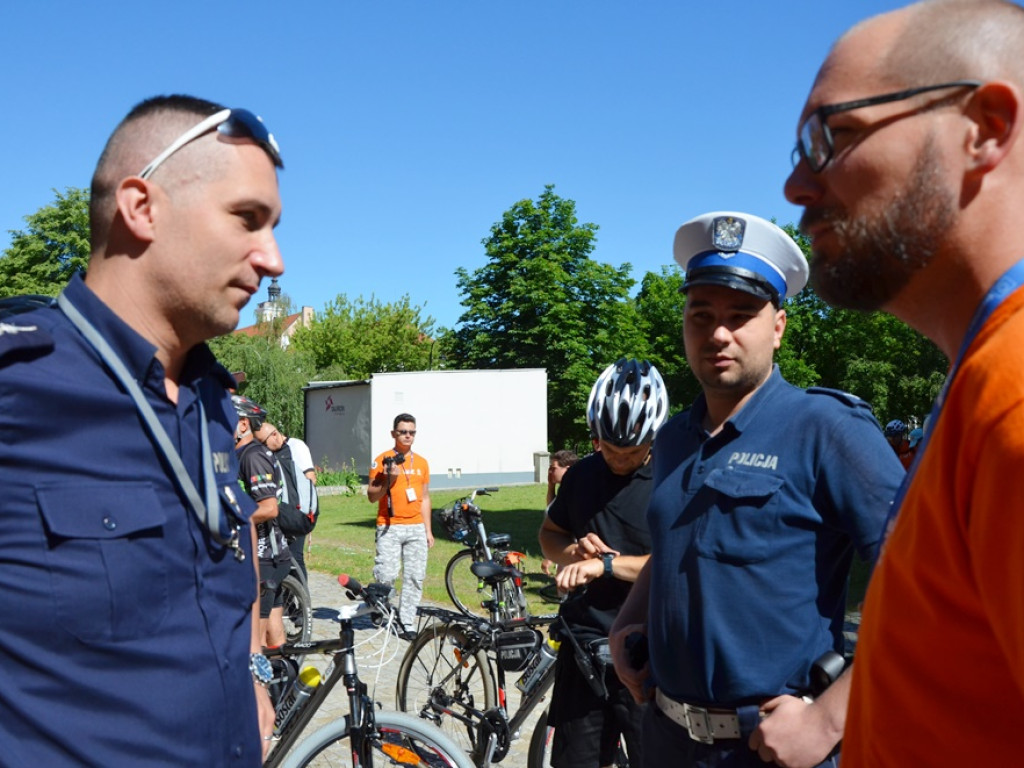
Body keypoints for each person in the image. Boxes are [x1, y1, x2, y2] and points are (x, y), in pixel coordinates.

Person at [0, 95, 283, 765]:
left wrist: (253, 676)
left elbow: (228, 543)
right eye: (247, 219)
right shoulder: (17, 386)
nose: (272, 258)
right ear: (141, 206)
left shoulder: (213, 399)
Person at [784, 1, 1024, 763]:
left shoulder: (1014, 392)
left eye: (833, 135)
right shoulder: (982, 381)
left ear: (984, 126)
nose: (795, 183)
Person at [609, 212, 905, 768]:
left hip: (771, 749)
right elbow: (675, 546)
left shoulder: (827, 429)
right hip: (666, 740)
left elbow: (932, 580)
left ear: (779, 327)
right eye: (701, 314)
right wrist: (629, 618)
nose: (719, 333)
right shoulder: (672, 439)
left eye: (741, 315)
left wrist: (828, 719)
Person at [539, 359, 668, 768]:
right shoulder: (582, 476)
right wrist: (575, 552)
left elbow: (676, 562)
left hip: (650, 653)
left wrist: (607, 566)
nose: (616, 459)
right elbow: (549, 536)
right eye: (606, 447)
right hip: (585, 649)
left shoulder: (674, 478)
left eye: (629, 452)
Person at [368, 413, 433, 636]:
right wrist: (388, 479)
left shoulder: (422, 463)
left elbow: (424, 497)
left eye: (411, 432)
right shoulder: (382, 460)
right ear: (393, 433)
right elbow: (372, 496)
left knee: (415, 576)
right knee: (387, 573)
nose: (407, 436)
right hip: (390, 526)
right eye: (403, 432)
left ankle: (407, 621)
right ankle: (378, 602)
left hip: (415, 526)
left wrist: (428, 530)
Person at [234, 396, 292, 648]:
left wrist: (229, 518)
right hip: (267, 553)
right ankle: (284, 684)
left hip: (265, 556)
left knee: (253, 642)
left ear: (243, 424)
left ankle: (262, 686)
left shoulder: (252, 456)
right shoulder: (238, 455)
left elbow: (269, 508)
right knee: (272, 633)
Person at [258, 421, 318, 578]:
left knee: (295, 557)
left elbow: (311, 479)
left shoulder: (297, 447)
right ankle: (287, 597)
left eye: (264, 443)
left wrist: (305, 509)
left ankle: (303, 599)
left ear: (275, 435)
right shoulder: (270, 451)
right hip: (280, 511)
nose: (264, 447)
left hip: (297, 512)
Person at [541, 449, 580, 576]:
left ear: (567, 469)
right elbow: (552, 510)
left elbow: (565, 527)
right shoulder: (565, 491)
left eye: (553, 468)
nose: (550, 472)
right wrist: (551, 486)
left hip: (574, 555)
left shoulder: (575, 493)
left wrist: (551, 556)